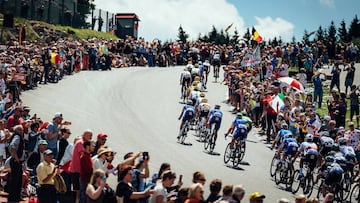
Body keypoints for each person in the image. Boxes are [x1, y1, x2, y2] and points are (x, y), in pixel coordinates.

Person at [70, 130, 93, 203]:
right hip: (77, 170)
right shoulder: (81, 143)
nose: (91, 137)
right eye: (90, 135)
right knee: (78, 192)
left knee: (79, 192)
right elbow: (82, 153)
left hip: (79, 170)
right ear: (85, 135)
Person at [8, 125, 25, 202]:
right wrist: (16, 158)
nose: (22, 131)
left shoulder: (19, 137)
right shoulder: (17, 137)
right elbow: (12, 146)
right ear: (16, 130)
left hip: (19, 162)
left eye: (22, 130)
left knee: (18, 180)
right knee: (15, 180)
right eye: (20, 130)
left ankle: (17, 197)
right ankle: (12, 198)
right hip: (16, 162)